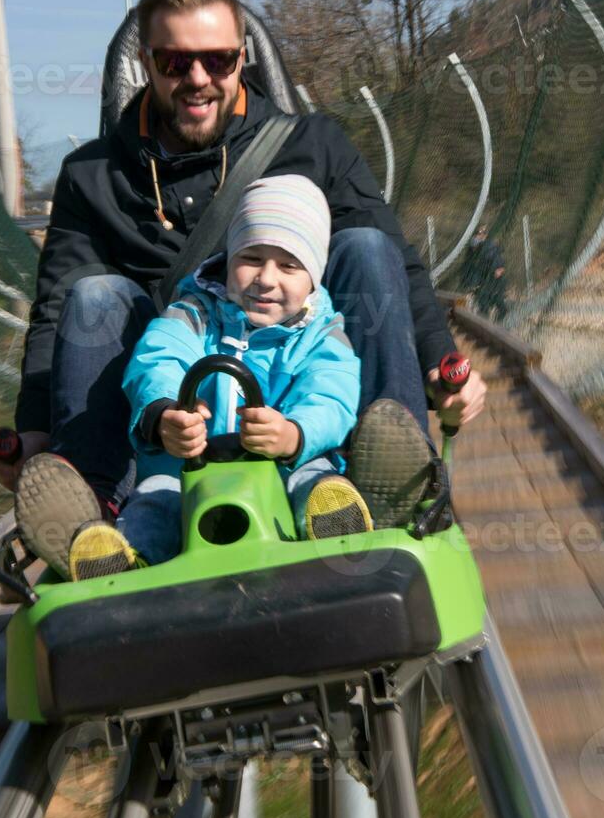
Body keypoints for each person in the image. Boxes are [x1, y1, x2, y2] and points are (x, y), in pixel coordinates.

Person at [0, 0, 487, 562]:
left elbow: (394, 266)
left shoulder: (314, 145)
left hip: (294, 388)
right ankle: (94, 523)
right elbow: (54, 309)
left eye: (218, 60)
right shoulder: (91, 176)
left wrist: (438, 362)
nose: (198, 80)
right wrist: (35, 430)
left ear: (242, 58)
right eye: (175, 63)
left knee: (367, 246)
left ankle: (392, 482)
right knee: (93, 296)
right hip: (167, 428)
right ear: (146, 63)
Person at [18, 176, 376, 580]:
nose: (267, 278)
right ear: (230, 259)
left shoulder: (321, 333)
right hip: (189, 470)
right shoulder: (194, 313)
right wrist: (164, 412)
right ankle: (124, 562)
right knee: (155, 499)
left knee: (315, 479)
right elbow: (160, 357)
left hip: (284, 463)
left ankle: (332, 526)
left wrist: (295, 434)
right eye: (252, 258)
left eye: (289, 266)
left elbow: (333, 392)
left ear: (313, 277)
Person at [461, 226, 508, 321]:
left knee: (496, 301)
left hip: (493, 281)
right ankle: (486, 323)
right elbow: (471, 266)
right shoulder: (474, 248)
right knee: (483, 304)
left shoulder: (489, 248)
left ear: (485, 236)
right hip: (482, 280)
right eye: (477, 234)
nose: (478, 237)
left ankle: (499, 319)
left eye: (481, 234)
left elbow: (499, 266)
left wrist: (498, 270)